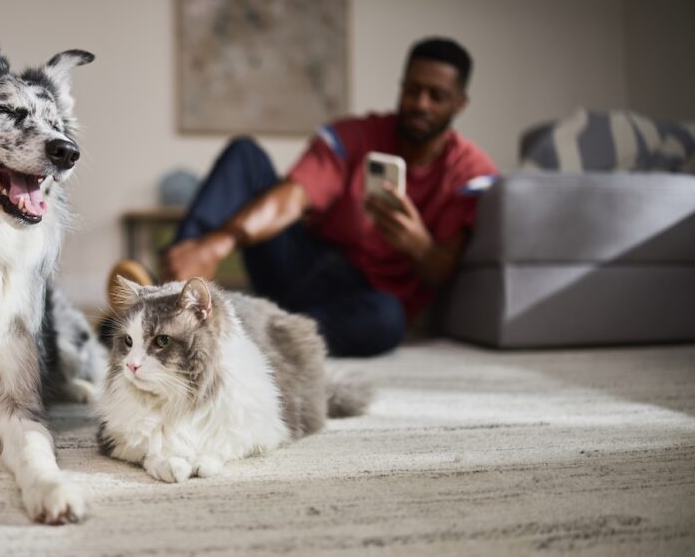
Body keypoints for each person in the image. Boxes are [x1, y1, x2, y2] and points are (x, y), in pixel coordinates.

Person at [109, 38, 498, 357]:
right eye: (412, 89)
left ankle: (255, 338)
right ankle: (163, 305)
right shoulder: (353, 136)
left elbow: (442, 271)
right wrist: (216, 245)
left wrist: (418, 244)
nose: (421, 104)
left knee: (386, 321)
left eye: (437, 95)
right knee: (245, 155)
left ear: (460, 103)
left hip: (358, 298)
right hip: (302, 261)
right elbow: (292, 199)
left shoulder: (471, 172)